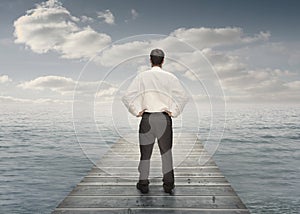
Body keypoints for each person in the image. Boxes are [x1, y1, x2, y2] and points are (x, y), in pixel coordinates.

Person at [122, 49, 189, 194]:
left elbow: (126, 97)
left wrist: (136, 111)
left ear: (150, 60)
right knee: (166, 153)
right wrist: (174, 112)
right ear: (163, 61)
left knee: (145, 153)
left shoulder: (142, 77)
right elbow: (183, 96)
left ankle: (144, 183)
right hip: (164, 118)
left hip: (147, 118)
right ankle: (168, 185)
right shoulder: (170, 77)